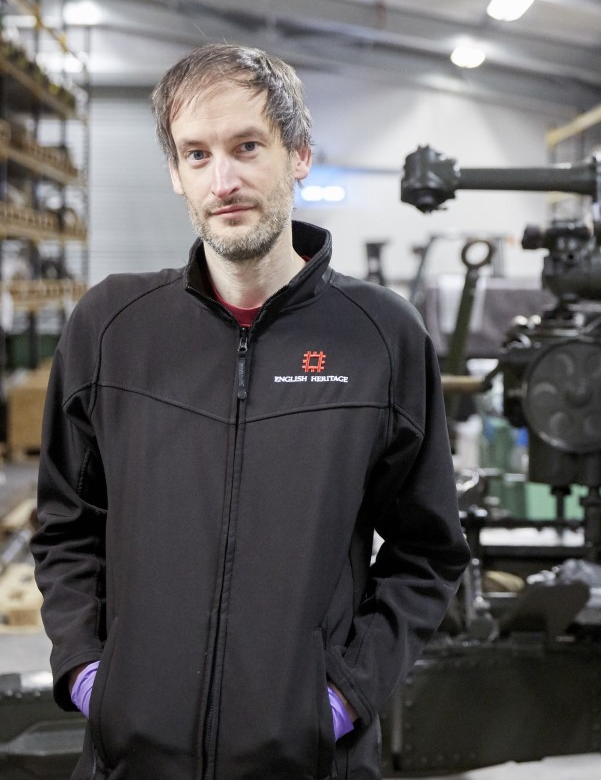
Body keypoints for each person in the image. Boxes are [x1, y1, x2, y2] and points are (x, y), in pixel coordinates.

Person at [31, 43, 471, 780]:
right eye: (196, 155)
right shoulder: (112, 327)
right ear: (175, 173)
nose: (223, 180)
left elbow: (427, 553)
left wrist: (342, 696)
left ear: (298, 154)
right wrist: (88, 676)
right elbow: (67, 525)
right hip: (131, 761)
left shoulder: (380, 338)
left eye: (246, 147)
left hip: (305, 760)